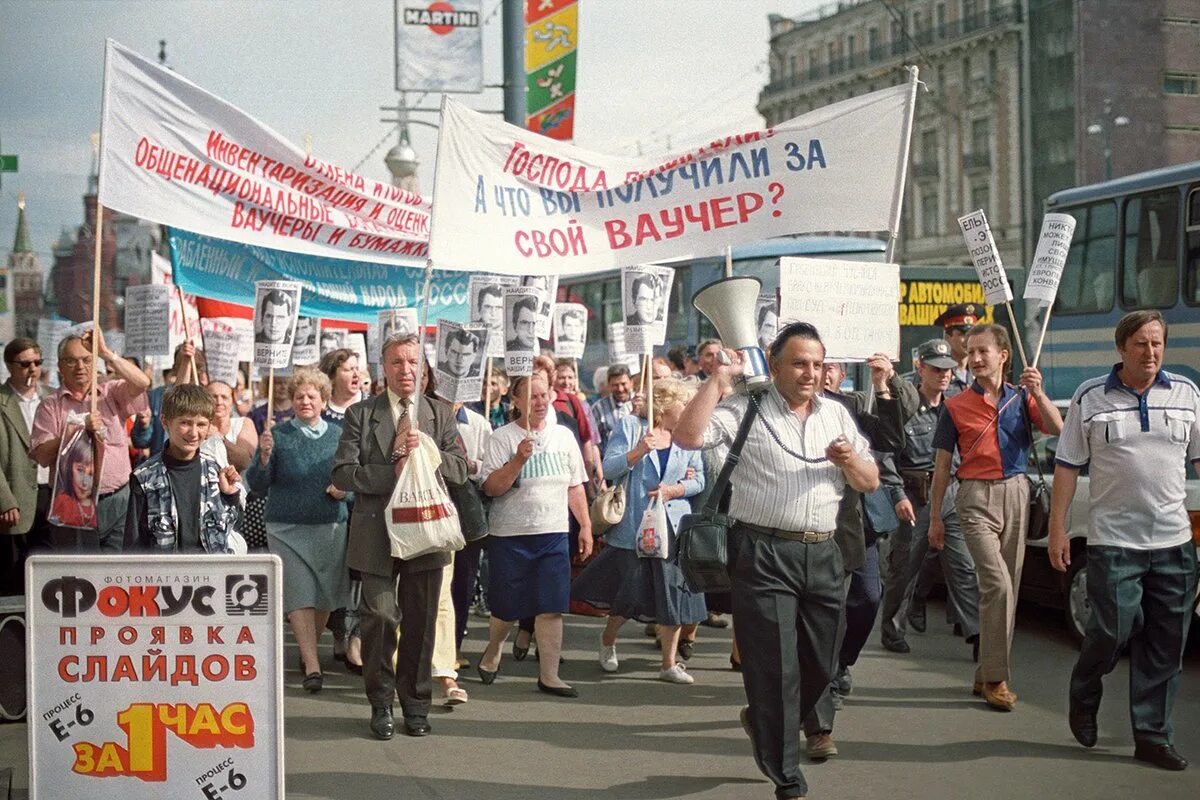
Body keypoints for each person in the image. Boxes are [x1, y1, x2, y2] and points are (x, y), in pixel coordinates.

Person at [674, 322, 878, 800]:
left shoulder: (838, 416)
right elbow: (686, 436)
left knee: (822, 666)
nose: (810, 373)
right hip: (763, 553)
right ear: (775, 362)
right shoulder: (745, 410)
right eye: (798, 363)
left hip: (824, 552)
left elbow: (868, 481)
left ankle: (763, 719)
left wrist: (849, 461)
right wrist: (718, 379)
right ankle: (786, 775)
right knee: (774, 668)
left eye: (817, 364)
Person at [1050, 310, 1199, 770]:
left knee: (1165, 643)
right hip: (1113, 542)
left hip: (1174, 543)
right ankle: (1086, 688)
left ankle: (1153, 736)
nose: (1150, 352)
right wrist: (1058, 528)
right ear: (1121, 348)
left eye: (1157, 343)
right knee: (1112, 629)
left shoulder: (1188, 394)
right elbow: (1068, 465)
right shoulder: (1090, 397)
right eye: (1140, 343)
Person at [331, 334, 469, 740]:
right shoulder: (361, 414)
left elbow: (462, 470)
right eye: (396, 363)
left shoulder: (439, 416)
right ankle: (380, 701)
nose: (406, 370)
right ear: (384, 369)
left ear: (423, 370)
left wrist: (428, 453)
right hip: (376, 534)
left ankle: (416, 703)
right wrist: (389, 470)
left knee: (422, 622)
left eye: (413, 362)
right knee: (380, 617)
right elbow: (342, 474)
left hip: (425, 531)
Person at [928, 323, 1062, 712]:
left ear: (1003, 355)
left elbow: (1059, 429)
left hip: (1017, 492)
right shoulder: (954, 406)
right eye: (970, 352)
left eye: (982, 351)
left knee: (1009, 587)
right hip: (973, 497)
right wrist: (936, 517)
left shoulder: (1022, 398)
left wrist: (1038, 391)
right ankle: (996, 678)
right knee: (997, 584)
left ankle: (985, 669)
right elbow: (941, 468)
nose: (974, 358)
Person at [800, 355, 917, 759]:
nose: (821, 372)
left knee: (867, 599)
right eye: (815, 364)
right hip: (799, 531)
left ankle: (838, 665)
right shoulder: (775, 408)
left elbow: (889, 441)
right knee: (819, 623)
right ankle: (819, 727)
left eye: (829, 365)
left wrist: (883, 387)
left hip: (851, 529)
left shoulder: (846, 408)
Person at [571, 378, 706, 683]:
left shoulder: (688, 435)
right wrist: (639, 451)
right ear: (664, 405)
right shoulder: (631, 426)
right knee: (628, 593)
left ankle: (668, 664)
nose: (687, 410)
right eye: (683, 404)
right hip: (636, 525)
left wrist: (675, 489)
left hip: (671, 526)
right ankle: (608, 639)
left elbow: (699, 479)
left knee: (674, 593)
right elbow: (611, 467)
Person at [477, 372, 593, 698]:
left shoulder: (564, 437)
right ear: (516, 401)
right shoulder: (502, 437)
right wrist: (518, 459)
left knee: (551, 606)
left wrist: (584, 525)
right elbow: (491, 487)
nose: (540, 403)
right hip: (510, 534)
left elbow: (575, 486)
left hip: (553, 532)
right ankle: (493, 649)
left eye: (544, 396)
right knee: (506, 608)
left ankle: (549, 675)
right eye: (532, 397)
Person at [246, 367, 351, 694]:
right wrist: (263, 457)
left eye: (311, 396)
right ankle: (313, 664)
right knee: (299, 594)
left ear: (323, 400)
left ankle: (309, 653)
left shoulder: (339, 435)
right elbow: (257, 485)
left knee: (324, 596)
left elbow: (354, 478)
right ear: (291, 401)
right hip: (286, 528)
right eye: (299, 396)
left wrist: (344, 490)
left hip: (330, 525)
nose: (305, 401)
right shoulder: (276, 435)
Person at [879, 339, 979, 656]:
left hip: (948, 494)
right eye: (936, 369)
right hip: (913, 495)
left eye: (948, 370)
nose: (944, 375)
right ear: (920, 368)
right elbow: (886, 455)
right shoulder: (903, 406)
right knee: (905, 568)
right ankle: (893, 631)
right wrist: (896, 494)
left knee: (964, 566)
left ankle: (979, 634)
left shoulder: (955, 407)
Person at [30, 330, 150, 551]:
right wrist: (76, 429)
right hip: (73, 503)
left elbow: (142, 382)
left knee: (116, 575)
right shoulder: (50, 405)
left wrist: (106, 354)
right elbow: (42, 455)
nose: (80, 367)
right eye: (71, 361)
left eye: (86, 360)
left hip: (118, 500)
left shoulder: (110, 392)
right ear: (60, 366)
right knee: (80, 575)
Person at [123, 384, 243, 553]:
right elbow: (133, 544)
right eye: (185, 423)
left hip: (212, 572)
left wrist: (231, 496)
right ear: (165, 422)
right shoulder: (145, 477)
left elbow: (232, 528)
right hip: (166, 574)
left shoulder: (215, 471)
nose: (194, 433)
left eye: (201, 424)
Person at [318, 347, 364, 674]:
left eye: (357, 368)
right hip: (330, 504)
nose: (355, 374)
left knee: (360, 574)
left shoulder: (369, 411)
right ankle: (338, 633)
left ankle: (355, 640)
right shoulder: (322, 414)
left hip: (364, 504)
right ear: (333, 374)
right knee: (335, 572)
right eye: (348, 368)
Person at [0, 338, 47, 593]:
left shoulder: (51, 397)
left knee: (48, 571)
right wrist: (5, 500)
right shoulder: (2, 401)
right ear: (9, 365)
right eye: (25, 364)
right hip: (17, 498)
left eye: (37, 363)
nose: (33, 370)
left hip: (51, 495)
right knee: (15, 573)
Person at [131, 342, 206, 457]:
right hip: (162, 467)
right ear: (174, 368)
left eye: (194, 365)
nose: (188, 369)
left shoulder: (209, 399)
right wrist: (144, 426)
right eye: (184, 364)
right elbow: (140, 441)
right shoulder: (155, 396)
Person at [201, 381, 258, 472]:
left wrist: (218, 437)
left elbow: (244, 461)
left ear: (232, 400)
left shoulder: (243, 423)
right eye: (214, 397)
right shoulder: (199, 427)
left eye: (224, 397)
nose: (219, 402)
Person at [933, 303, 984, 393]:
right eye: (963, 334)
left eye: (972, 335)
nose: (968, 340)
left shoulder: (981, 373)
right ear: (948, 338)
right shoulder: (937, 375)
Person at [49, 444, 97, 529]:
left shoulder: (99, 505)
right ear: (69, 468)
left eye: (91, 474)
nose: (85, 482)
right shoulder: (62, 502)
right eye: (80, 470)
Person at [590, 364, 634, 453]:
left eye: (623, 384)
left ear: (631, 382)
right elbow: (593, 441)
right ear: (609, 385)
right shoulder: (598, 409)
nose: (620, 389)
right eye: (615, 385)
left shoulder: (642, 403)